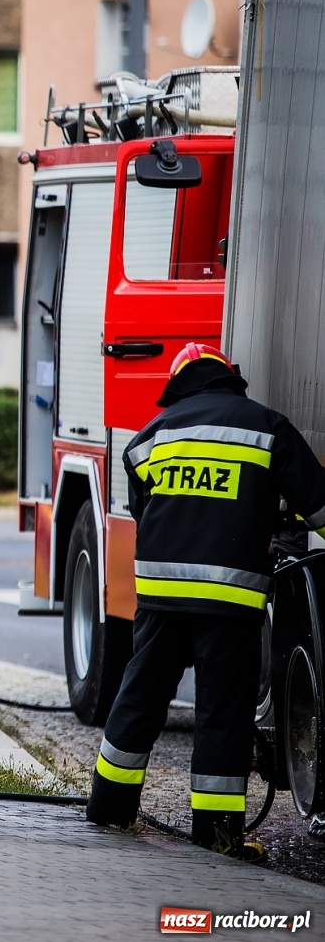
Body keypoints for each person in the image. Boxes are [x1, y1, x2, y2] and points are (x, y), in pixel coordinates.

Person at [86, 344, 325, 859]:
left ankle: (108, 809)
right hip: (229, 604)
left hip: (162, 600)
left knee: (139, 699)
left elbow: (145, 509)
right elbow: (319, 507)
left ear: (179, 384)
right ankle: (216, 836)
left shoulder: (150, 438)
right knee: (222, 712)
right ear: (227, 378)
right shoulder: (267, 427)